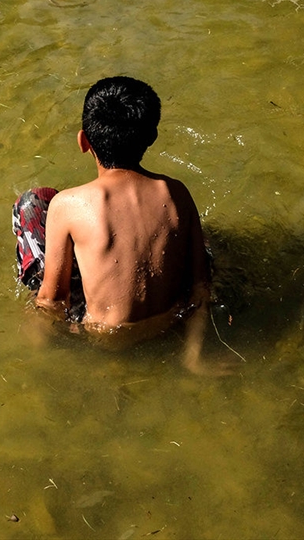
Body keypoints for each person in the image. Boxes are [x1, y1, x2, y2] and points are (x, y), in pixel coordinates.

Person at [13, 76, 228, 375]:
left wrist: (33, 335)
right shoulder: (176, 192)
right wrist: (193, 356)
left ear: (83, 141)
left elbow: (53, 301)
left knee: (33, 202)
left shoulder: (68, 204)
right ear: (151, 137)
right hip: (166, 326)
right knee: (201, 241)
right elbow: (201, 288)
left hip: (102, 337)